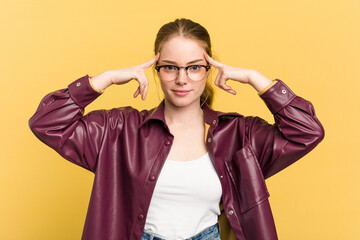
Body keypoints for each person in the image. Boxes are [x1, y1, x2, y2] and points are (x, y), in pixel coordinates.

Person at [29, 18, 324, 240]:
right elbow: (47, 122)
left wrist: (256, 79)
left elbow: (306, 131)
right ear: (156, 70)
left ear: (209, 70)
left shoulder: (238, 134)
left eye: (194, 67)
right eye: (170, 67)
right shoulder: (118, 130)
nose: (182, 79)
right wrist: (103, 80)